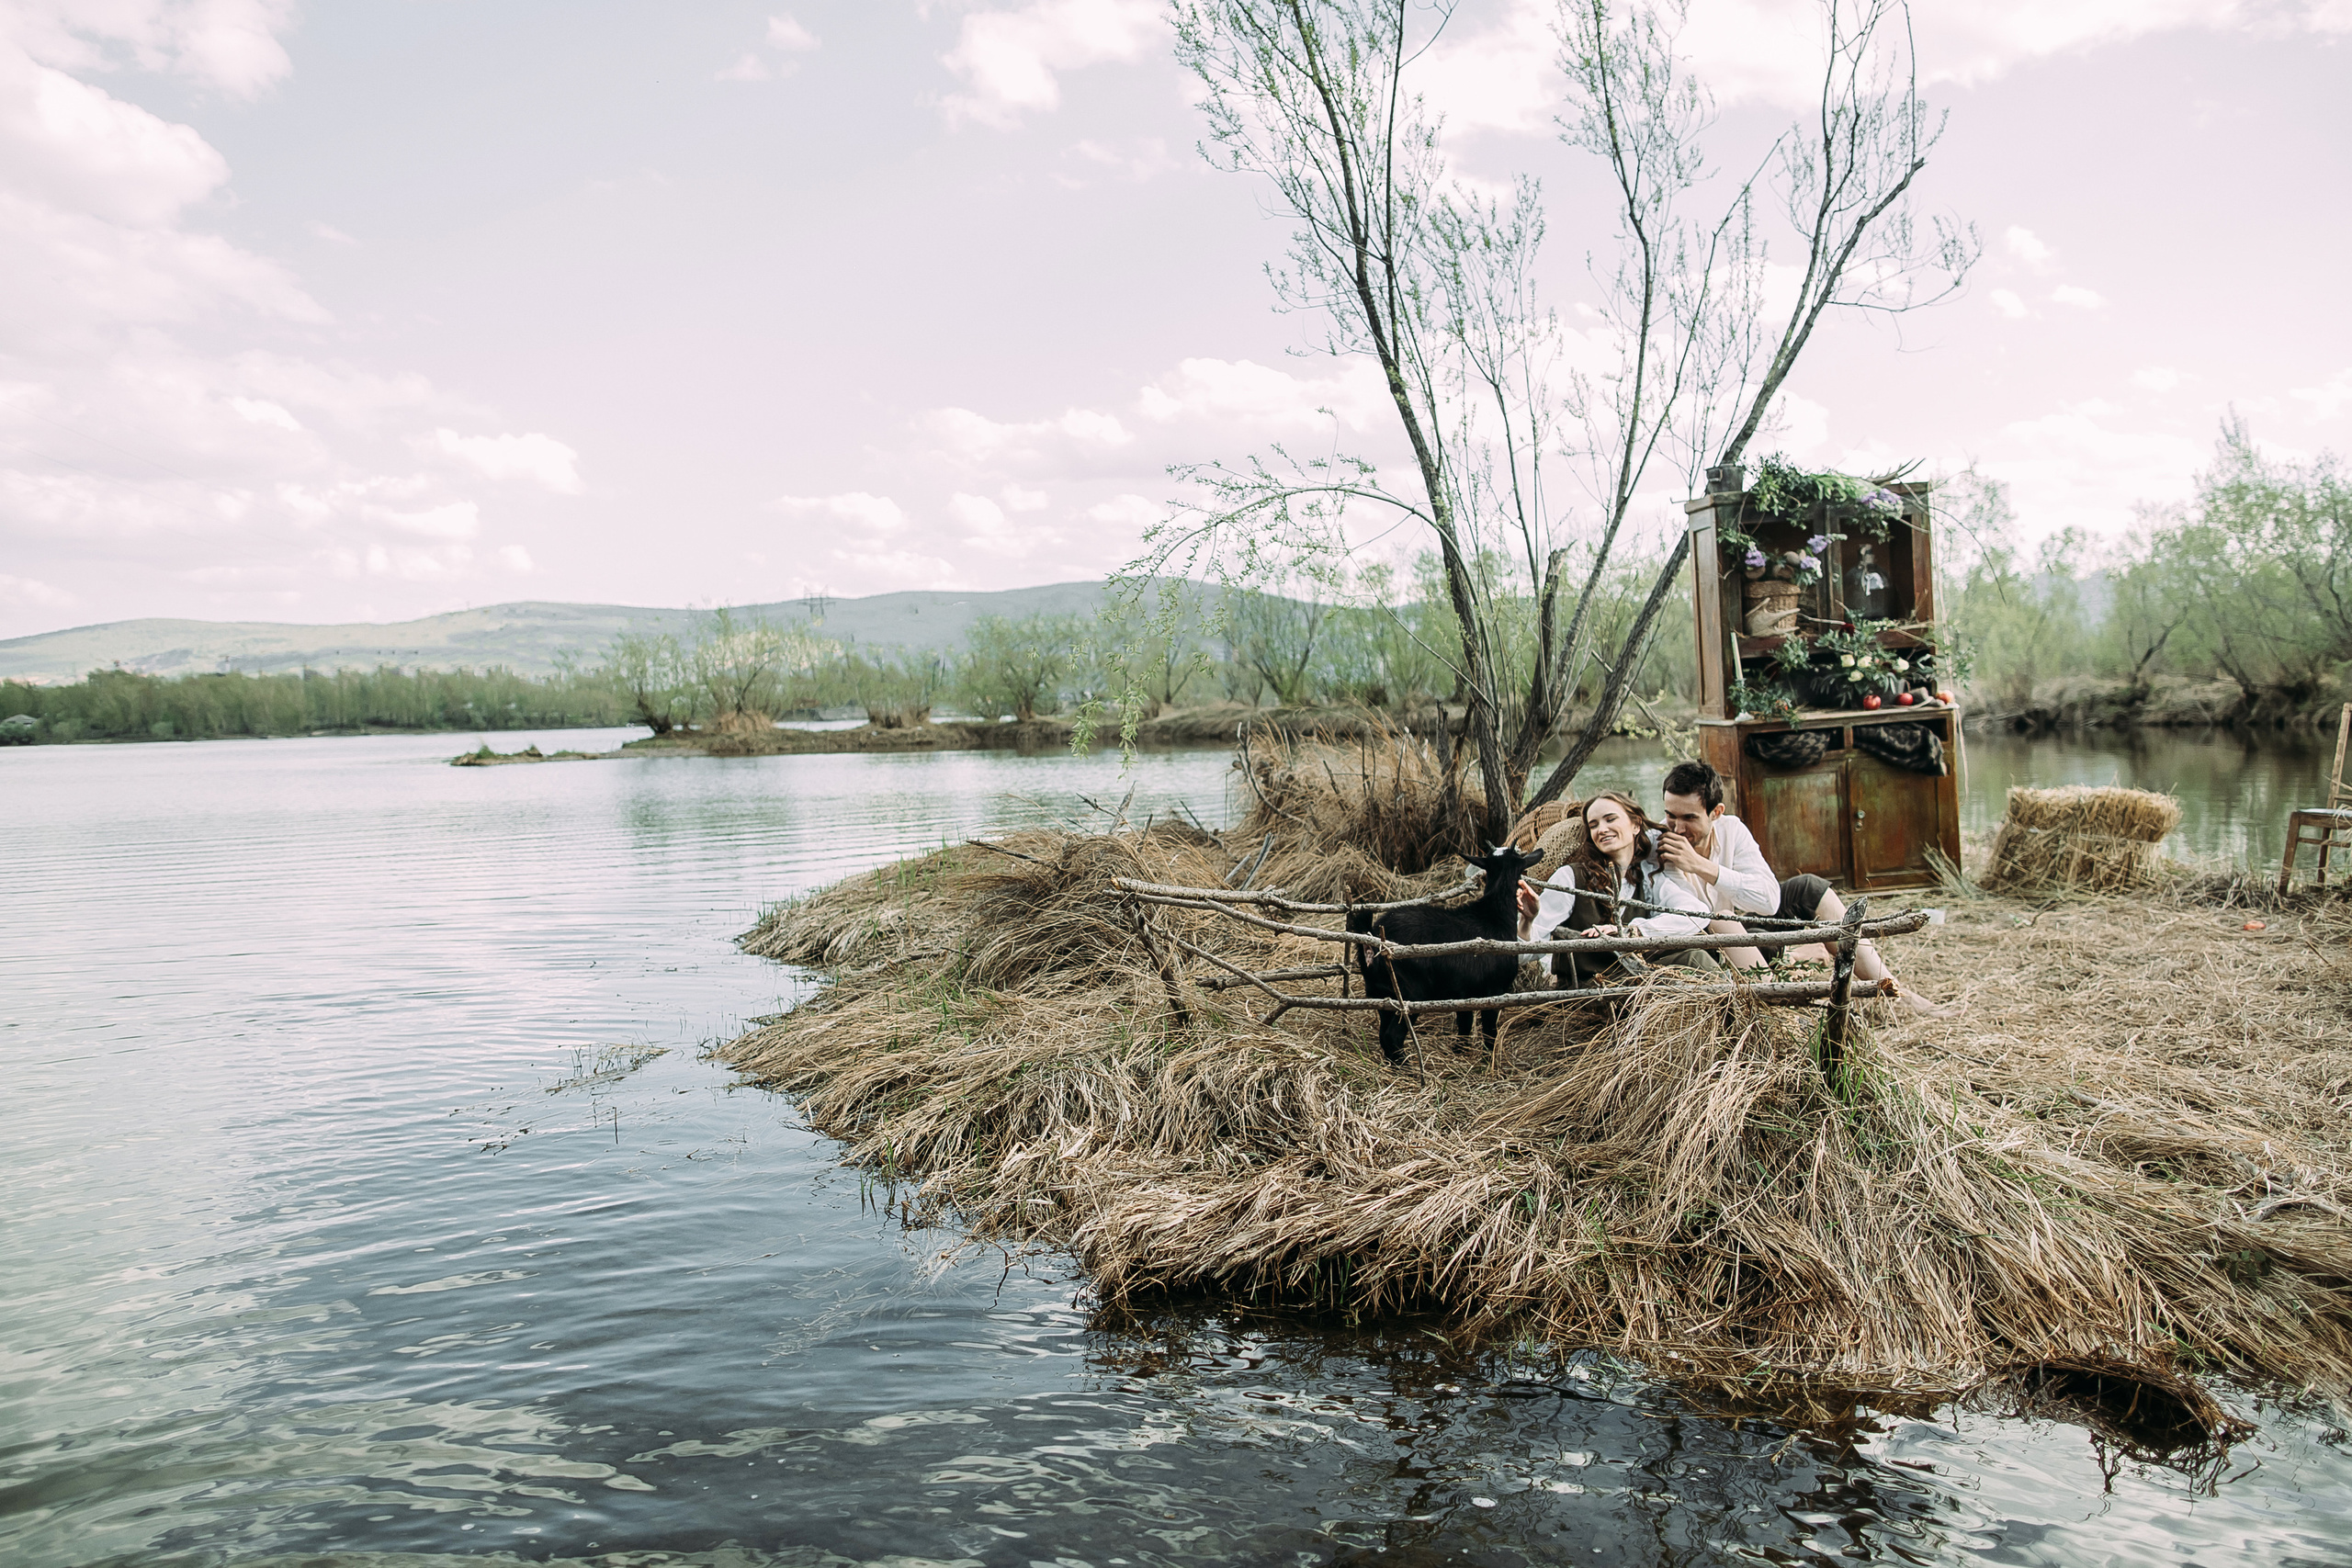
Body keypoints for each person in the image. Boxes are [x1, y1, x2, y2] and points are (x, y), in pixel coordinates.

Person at [1654, 758, 1955, 1017]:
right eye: (1670, 815)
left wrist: (1701, 865)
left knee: (1809, 888)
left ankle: (1892, 992)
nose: (1677, 828)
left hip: (1744, 929)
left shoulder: (1732, 829)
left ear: (1716, 813)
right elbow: (1695, 919)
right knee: (1726, 920)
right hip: (1709, 945)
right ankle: (1783, 996)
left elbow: (1769, 901)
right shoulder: (1659, 846)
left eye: (1689, 818)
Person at [1516, 791, 1718, 988]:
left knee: (1696, 957)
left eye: (1610, 819)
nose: (1602, 829)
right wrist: (1527, 921)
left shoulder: (1646, 878)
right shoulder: (1570, 877)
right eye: (1594, 825)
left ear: (1636, 825)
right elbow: (1524, 954)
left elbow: (1697, 913)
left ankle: (1731, 1006)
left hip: (1633, 978)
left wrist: (1634, 931)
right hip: (1587, 988)